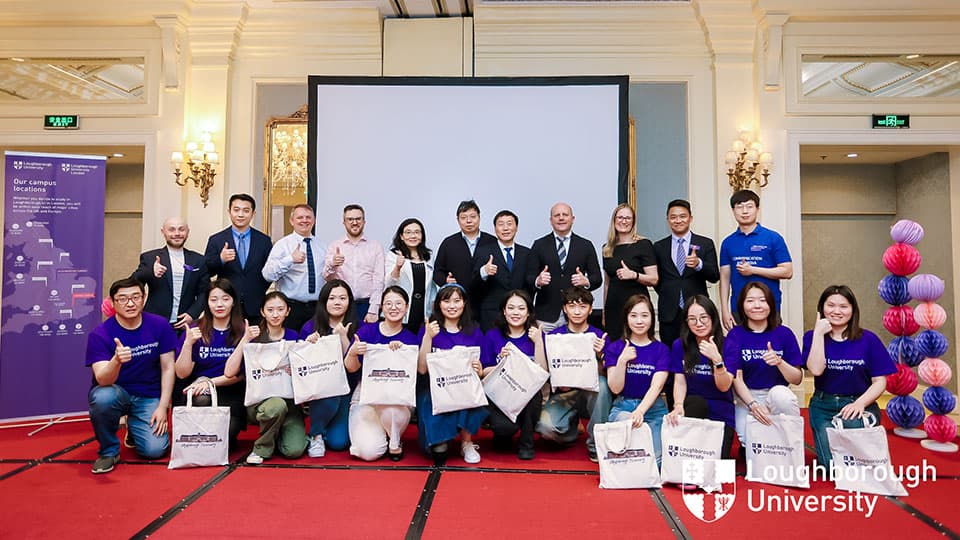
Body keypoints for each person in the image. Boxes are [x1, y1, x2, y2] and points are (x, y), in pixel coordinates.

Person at [85, 278, 176, 474]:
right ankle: (109, 451)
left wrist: (163, 406)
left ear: (143, 299)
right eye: (123, 299)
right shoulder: (100, 334)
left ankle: (135, 429)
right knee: (101, 397)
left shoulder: (160, 325)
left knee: (154, 450)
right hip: (116, 393)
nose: (130, 303)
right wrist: (116, 360)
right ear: (112, 302)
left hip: (148, 395)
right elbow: (102, 380)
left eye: (136, 297)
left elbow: (168, 367)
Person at [804, 285, 895, 467]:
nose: (836, 311)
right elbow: (815, 370)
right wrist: (819, 334)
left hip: (858, 403)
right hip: (823, 406)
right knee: (832, 467)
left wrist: (860, 403)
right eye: (830, 305)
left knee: (853, 463)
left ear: (853, 310)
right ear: (821, 308)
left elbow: (880, 382)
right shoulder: (812, 337)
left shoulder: (868, 339)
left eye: (843, 306)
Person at [224, 291, 307, 465]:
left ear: (288, 311)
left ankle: (277, 432)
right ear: (262, 312)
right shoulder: (254, 336)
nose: (275, 314)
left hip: (290, 402)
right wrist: (245, 340)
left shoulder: (294, 336)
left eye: (280, 309)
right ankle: (261, 448)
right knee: (276, 405)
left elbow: (304, 372)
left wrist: (297, 371)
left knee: (294, 450)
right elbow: (229, 372)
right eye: (270, 310)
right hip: (260, 402)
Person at [417, 284, 490, 464]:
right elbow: (422, 369)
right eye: (446, 301)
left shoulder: (474, 331)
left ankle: (467, 442)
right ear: (438, 304)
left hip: (464, 389)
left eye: (457, 301)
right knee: (439, 453)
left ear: (464, 303)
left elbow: (483, 368)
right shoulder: (430, 329)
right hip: (434, 391)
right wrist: (428, 337)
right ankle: (443, 436)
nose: (452, 306)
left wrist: (478, 368)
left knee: (469, 393)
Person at [346, 286, 420, 461]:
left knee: (393, 411)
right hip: (366, 396)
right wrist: (353, 352)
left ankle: (394, 440)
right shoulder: (366, 331)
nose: (393, 308)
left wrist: (401, 355)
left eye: (398, 303)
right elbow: (351, 368)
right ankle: (381, 434)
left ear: (407, 307)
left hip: (396, 399)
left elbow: (415, 374)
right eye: (388, 303)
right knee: (369, 452)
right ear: (381, 307)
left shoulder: (410, 338)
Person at [725, 282, 803, 449]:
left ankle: (790, 447)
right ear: (742, 305)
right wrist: (753, 405)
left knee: (782, 395)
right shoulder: (735, 335)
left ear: (770, 304)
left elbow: (797, 379)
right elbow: (736, 378)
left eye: (762, 300)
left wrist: (780, 362)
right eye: (750, 301)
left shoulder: (784, 333)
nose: (757, 305)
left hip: (777, 394)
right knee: (749, 441)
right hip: (747, 397)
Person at [536, 287, 609, 462]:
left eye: (583, 306)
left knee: (603, 385)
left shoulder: (599, 336)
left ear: (591, 309)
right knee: (545, 429)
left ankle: (596, 444)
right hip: (564, 394)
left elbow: (606, 376)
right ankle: (572, 431)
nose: (577, 311)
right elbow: (547, 371)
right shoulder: (554, 336)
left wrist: (600, 356)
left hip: (589, 394)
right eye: (572, 306)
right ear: (564, 308)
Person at [174, 279, 248, 445]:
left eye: (225, 299)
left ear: (233, 301)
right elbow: (181, 373)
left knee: (225, 437)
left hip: (231, 389)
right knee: (201, 399)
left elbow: (240, 375)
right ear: (207, 303)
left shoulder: (243, 330)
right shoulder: (195, 329)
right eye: (213, 300)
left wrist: (210, 383)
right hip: (198, 390)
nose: (219, 304)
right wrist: (188, 344)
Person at [665, 295, 737, 459]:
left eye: (704, 317)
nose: (699, 323)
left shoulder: (728, 345)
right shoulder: (680, 345)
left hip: (721, 411)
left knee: (720, 471)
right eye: (692, 319)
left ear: (713, 317)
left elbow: (724, 386)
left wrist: (717, 360)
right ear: (686, 322)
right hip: (694, 409)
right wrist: (677, 405)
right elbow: (680, 381)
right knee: (697, 402)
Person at [604, 294, 670, 465]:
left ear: (652, 318)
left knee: (656, 463)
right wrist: (622, 361)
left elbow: (657, 386)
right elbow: (615, 388)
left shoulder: (661, 349)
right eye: (633, 315)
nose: (639, 321)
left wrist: (640, 411)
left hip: (653, 409)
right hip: (623, 407)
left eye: (644, 315)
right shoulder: (616, 348)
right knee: (627, 429)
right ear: (626, 318)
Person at [481, 290, 547, 460]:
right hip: (499, 395)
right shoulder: (492, 335)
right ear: (504, 311)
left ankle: (527, 443)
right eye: (511, 308)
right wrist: (501, 364)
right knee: (504, 429)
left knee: (529, 394)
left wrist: (538, 342)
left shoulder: (537, 335)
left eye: (521, 308)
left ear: (528, 312)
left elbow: (543, 372)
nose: (515, 313)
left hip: (528, 396)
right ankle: (503, 435)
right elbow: (482, 372)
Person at [299, 279, 359, 457]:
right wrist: (308, 346)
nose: (337, 302)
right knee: (327, 391)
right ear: (324, 301)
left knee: (338, 443)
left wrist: (342, 336)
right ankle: (316, 433)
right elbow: (302, 367)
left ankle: (326, 429)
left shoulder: (358, 326)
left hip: (348, 389)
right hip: (320, 391)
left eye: (342, 298)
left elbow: (353, 368)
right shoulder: (310, 327)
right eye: (332, 298)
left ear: (349, 301)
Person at [719, 190, 792, 331]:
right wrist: (724, 310)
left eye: (749, 206)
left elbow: (787, 271)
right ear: (733, 211)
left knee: (771, 348)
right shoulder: (728, 242)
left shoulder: (773, 237)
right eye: (739, 207)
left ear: (757, 209)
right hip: (738, 308)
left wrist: (753, 270)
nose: (744, 211)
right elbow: (725, 278)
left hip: (769, 306)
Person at [653, 199, 719, 348]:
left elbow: (715, 276)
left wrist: (699, 264)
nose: (678, 220)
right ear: (668, 220)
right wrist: (670, 292)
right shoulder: (659, 246)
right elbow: (657, 279)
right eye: (673, 217)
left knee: (700, 352)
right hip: (669, 312)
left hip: (698, 312)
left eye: (682, 216)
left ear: (690, 218)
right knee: (670, 355)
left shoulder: (705, 243)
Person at [528, 202, 602, 332]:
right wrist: (537, 281)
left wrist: (587, 281)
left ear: (572, 219)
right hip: (546, 315)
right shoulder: (539, 245)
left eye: (565, 215)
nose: (561, 218)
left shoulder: (585, 245)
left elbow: (597, 278)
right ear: (551, 220)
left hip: (575, 315)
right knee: (544, 350)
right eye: (557, 215)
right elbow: (529, 277)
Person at [131, 217, 208, 333]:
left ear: (188, 232)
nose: (177, 234)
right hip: (154, 323)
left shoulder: (198, 260)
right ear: (163, 232)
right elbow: (131, 285)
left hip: (185, 325)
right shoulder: (150, 257)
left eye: (181, 229)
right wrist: (150, 272)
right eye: (171, 230)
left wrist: (192, 314)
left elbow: (205, 292)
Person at [204, 193, 272, 323]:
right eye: (236, 210)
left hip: (255, 305)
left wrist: (257, 289)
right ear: (229, 212)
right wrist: (221, 260)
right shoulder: (216, 240)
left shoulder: (264, 240)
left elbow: (269, 271)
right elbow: (206, 271)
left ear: (253, 213)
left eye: (246, 210)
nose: (240, 214)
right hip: (226, 306)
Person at [262, 204, 327, 331]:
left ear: (314, 220)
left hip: (317, 309)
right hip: (291, 308)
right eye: (300, 217)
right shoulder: (282, 245)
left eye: (308, 217)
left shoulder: (323, 246)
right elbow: (267, 275)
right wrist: (290, 259)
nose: (304, 220)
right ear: (292, 221)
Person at [601, 204, 657, 341]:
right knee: (614, 347)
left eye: (628, 218)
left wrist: (634, 275)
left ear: (633, 221)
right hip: (613, 307)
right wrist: (604, 310)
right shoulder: (607, 248)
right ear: (614, 220)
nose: (623, 221)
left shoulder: (643, 244)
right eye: (620, 217)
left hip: (637, 307)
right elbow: (607, 283)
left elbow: (654, 279)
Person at [323, 204, 385, 323]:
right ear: (344, 222)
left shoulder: (375, 246)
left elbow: (379, 280)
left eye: (358, 219)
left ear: (364, 221)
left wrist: (374, 309)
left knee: (364, 340)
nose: (354, 222)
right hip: (342, 305)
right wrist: (332, 265)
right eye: (350, 219)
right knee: (341, 340)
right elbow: (327, 278)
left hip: (366, 305)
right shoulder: (335, 246)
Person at [473, 210, 533, 331]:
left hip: (519, 315)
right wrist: (484, 272)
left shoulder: (526, 253)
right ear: (495, 229)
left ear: (516, 228)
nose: (505, 228)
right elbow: (473, 284)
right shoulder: (483, 252)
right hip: (491, 314)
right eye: (501, 224)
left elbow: (530, 285)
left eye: (509, 224)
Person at [432, 200, 497, 309]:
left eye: (473, 216)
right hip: (458, 303)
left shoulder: (492, 241)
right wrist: (445, 281)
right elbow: (437, 272)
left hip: (488, 302)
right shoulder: (448, 243)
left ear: (479, 218)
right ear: (458, 220)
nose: (469, 221)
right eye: (463, 218)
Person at [384, 218, 436, 334]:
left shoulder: (428, 256)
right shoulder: (394, 254)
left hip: (422, 309)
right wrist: (397, 267)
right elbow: (388, 284)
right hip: (402, 308)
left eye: (417, 232)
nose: (413, 236)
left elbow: (432, 285)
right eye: (408, 232)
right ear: (401, 236)